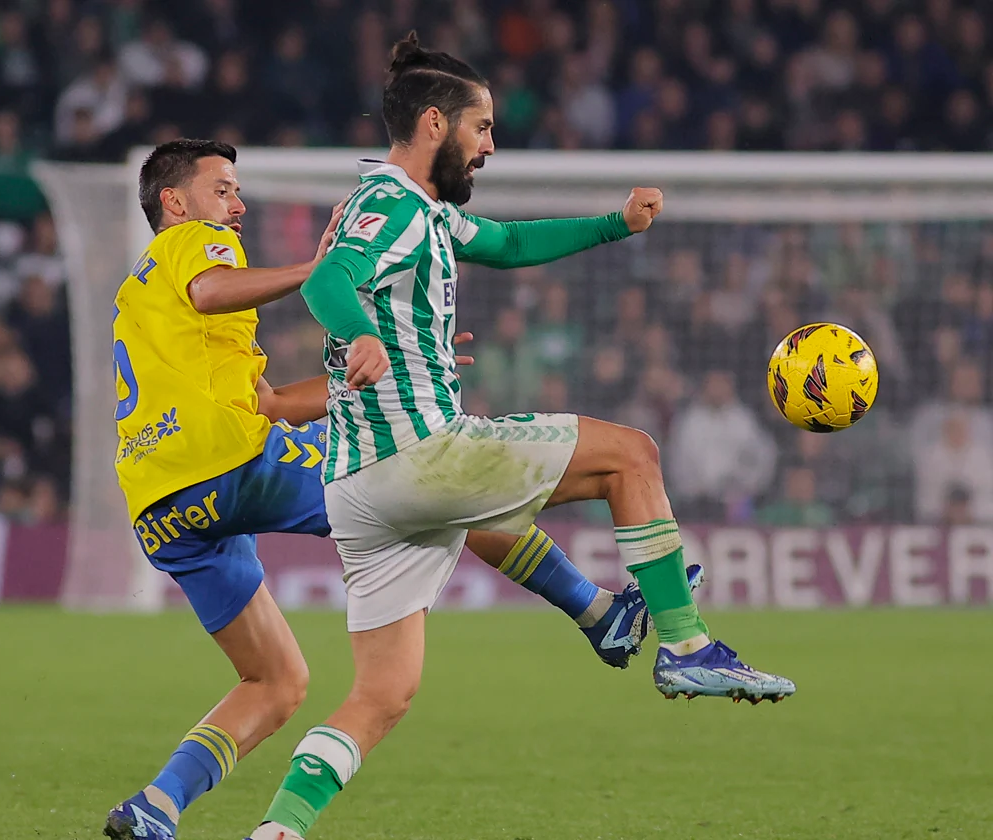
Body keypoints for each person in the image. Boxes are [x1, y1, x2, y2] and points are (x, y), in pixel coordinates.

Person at [244, 34, 795, 840]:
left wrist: (615, 224)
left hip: (361, 492)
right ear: (435, 124)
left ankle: (279, 830)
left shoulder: (420, 210)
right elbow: (330, 278)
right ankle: (683, 644)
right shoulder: (393, 205)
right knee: (630, 454)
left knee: (382, 695)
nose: (491, 145)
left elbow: (502, 243)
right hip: (418, 455)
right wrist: (359, 333)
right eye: (482, 128)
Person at [103, 139, 697, 840]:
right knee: (425, 479)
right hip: (229, 465)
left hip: (162, 505)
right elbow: (212, 290)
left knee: (277, 683)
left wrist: (403, 364)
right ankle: (596, 610)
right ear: (175, 202)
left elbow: (264, 402)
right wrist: (316, 268)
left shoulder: (142, 297)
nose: (237, 206)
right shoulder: (194, 247)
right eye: (223, 190)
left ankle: (156, 806)